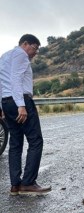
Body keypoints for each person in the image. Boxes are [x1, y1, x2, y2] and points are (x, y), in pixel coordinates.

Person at [0, 34, 51, 195]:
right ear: (25, 44)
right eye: (35, 48)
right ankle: (28, 183)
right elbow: (16, 79)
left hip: (6, 101)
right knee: (36, 140)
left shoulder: (5, 56)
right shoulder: (21, 55)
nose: (35, 53)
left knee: (15, 142)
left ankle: (15, 185)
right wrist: (21, 105)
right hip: (20, 101)